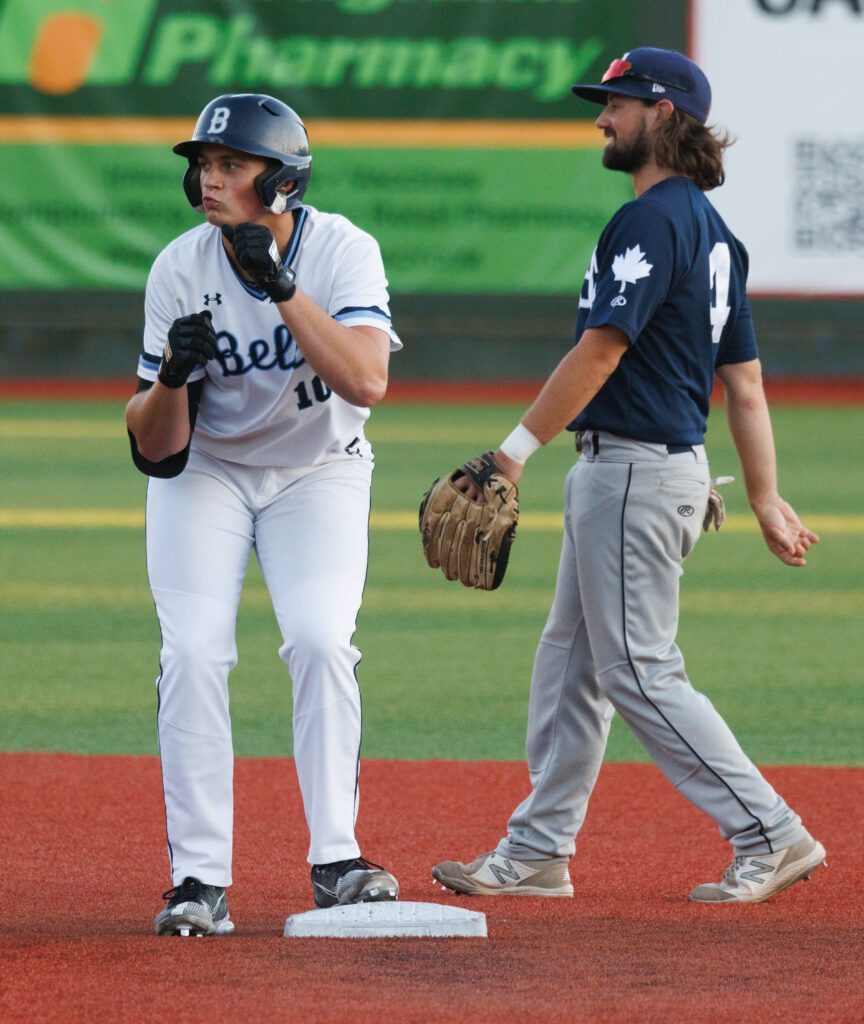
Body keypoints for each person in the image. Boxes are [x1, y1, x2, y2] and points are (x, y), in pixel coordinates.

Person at [432, 49, 826, 904]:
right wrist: (761, 496)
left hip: (635, 474)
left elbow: (602, 350)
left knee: (640, 671)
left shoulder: (651, 221)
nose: (603, 119)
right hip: (652, 473)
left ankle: (771, 831)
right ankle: (538, 849)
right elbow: (746, 385)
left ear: (668, 116)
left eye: (620, 103)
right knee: (571, 664)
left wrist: (510, 454)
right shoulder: (716, 234)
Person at [126, 93, 401, 936]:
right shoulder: (179, 267)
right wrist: (171, 379)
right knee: (194, 653)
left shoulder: (343, 250)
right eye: (203, 166)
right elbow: (153, 447)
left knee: (321, 639)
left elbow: (366, 383)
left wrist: (279, 287)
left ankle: (336, 857)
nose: (209, 179)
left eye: (230, 165)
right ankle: (199, 880)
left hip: (319, 471)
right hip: (205, 472)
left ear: (280, 182)